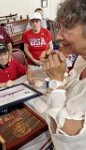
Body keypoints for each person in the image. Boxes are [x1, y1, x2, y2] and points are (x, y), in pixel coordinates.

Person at [39, 0, 86, 149]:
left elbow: (69, 140)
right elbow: (62, 89)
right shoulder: (81, 61)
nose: (58, 36)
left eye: (66, 27)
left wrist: (55, 80)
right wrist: (54, 72)